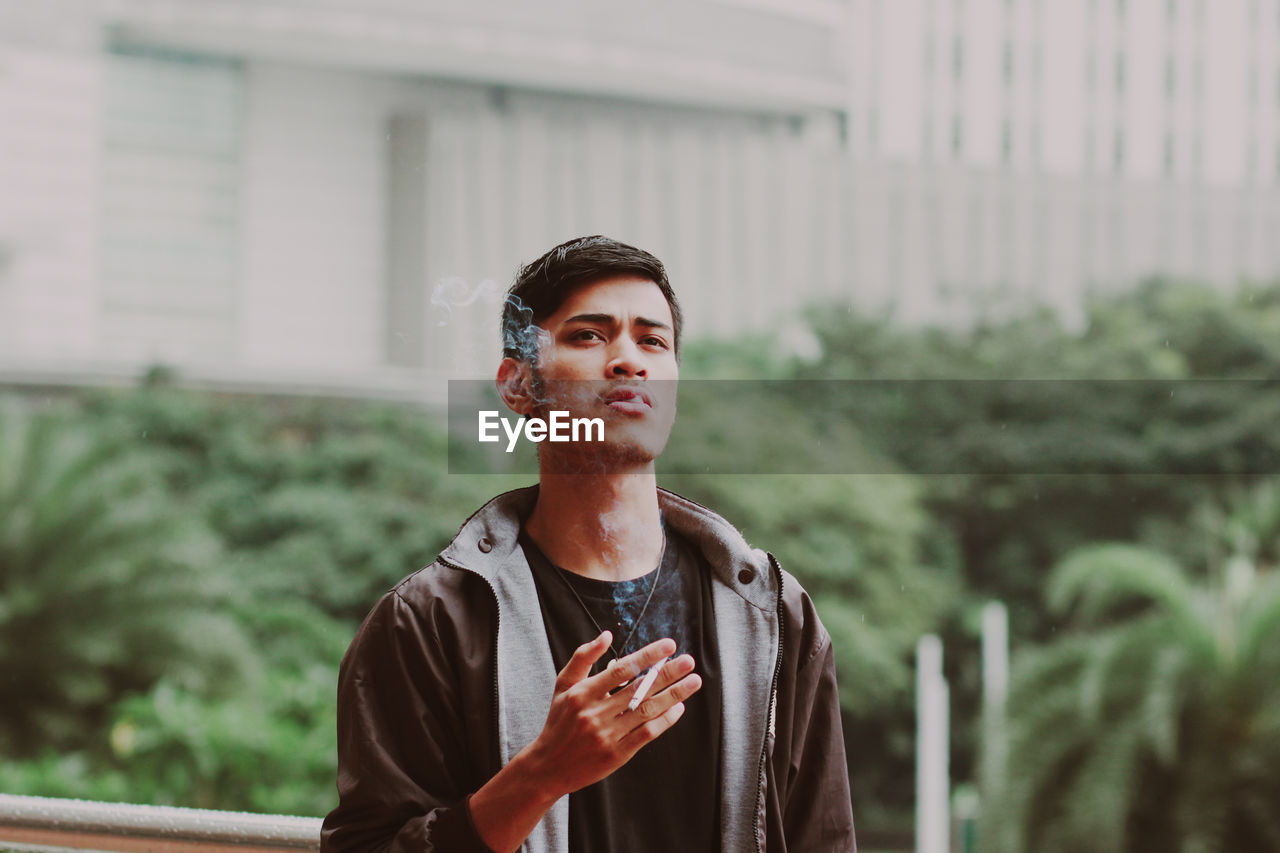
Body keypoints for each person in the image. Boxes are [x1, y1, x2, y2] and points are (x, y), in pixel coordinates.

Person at [320, 236, 856, 853]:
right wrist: (541, 774)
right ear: (519, 386)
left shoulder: (775, 616)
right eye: (589, 336)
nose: (630, 360)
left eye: (653, 341)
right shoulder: (430, 621)